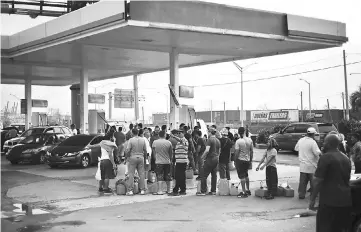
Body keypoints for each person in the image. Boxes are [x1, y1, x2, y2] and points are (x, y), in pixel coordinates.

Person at [309, 134, 352, 232]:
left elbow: (318, 181)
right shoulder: (346, 158)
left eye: (324, 142)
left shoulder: (326, 157)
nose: (323, 144)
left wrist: (312, 199)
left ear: (328, 144)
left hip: (329, 202)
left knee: (325, 228)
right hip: (345, 201)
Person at [294, 127, 322, 199]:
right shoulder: (312, 142)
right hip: (311, 166)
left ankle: (301, 195)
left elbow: (296, 148)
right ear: (313, 134)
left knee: (302, 182)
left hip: (303, 166)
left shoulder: (301, 140)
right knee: (313, 182)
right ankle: (313, 195)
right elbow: (317, 153)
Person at [197, 127, 221, 196]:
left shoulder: (210, 140)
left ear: (210, 132)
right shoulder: (218, 140)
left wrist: (202, 157)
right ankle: (213, 191)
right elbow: (219, 151)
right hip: (216, 159)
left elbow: (207, 150)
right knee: (214, 175)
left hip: (210, 159)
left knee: (203, 175)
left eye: (208, 132)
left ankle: (203, 191)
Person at [124, 128, 147, 196]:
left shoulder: (131, 140)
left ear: (132, 133)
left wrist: (126, 157)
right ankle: (142, 190)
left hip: (133, 157)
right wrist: (145, 158)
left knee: (131, 174)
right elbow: (145, 151)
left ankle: (130, 191)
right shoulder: (143, 139)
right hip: (141, 157)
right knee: (141, 174)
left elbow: (128, 150)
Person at [152, 130, 173, 194]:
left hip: (158, 162)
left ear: (159, 135)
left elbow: (153, 153)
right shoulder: (169, 143)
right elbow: (171, 153)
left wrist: (156, 159)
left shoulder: (155, 142)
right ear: (165, 135)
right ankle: (169, 190)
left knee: (159, 176)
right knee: (168, 176)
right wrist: (170, 160)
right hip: (167, 161)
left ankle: (160, 190)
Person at [169, 129, 188, 196]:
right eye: (178, 133)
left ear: (183, 133)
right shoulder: (178, 143)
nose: (178, 134)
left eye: (179, 133)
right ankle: (182, 190)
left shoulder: (184, 140)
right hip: (179, 161)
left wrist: (173, 136)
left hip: (182, 161)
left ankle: (176, 190)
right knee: (181, 176)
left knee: (179, 176)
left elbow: (181, 140)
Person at [234, 127, 251, 198]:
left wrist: (235, 161)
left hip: (240, 160)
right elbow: (251, 151)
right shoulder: (250, 140)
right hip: (247, 160)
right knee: (246, 175)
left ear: (238, 132)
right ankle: (248, 190)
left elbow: (237, 152)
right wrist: (250, 160)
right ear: (244, 132)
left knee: (242, 176)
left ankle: (244, 192)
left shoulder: (238, 141)